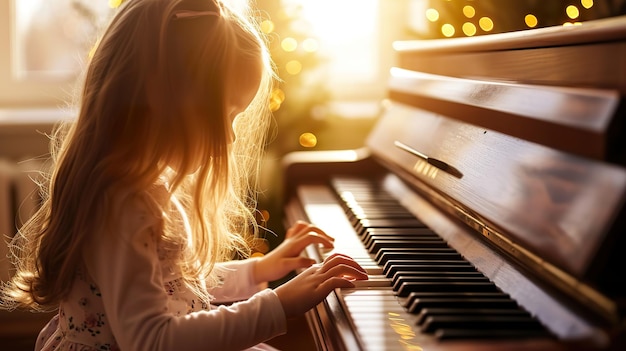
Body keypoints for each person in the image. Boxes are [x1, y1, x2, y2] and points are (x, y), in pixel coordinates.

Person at [0, 0, 368, 350]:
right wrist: (278, 304)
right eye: (224, 114)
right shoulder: (124, 204)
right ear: (164, 100)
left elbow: (173, 285)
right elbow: (152, 341)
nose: (230, 136)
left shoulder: (140, 187)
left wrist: (257, 270)